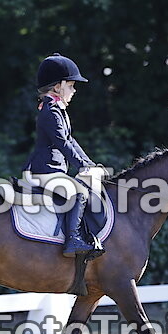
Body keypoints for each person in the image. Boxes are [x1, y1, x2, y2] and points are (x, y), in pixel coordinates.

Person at [22, 53, 106, 258]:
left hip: (52, 170)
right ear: (58, 87)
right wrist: (82, 167)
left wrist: (89, 164)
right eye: (71, 86)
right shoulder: (50, 111)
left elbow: (71, 140)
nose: (74, 90)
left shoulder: (58, 110)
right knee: (79, 192)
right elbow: (62, 143)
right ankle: (73, 239)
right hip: (45, 171)